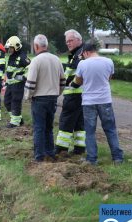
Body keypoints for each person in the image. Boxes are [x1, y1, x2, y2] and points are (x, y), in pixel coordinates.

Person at [70, 40, 124, 165]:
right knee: (110, 129)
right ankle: (117, 158)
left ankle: (91, 159)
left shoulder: (83, 64)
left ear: (86, 52)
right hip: (105, 100)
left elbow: (78, 81)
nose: (82, 56)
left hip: (89, 102)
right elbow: (108, 78)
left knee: (89, 131)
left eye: (83, 54)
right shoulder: (109, 62)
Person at [24, 34, 66, 162]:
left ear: (36, 46)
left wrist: (27, 96)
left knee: (38, 128)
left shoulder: (36, 61)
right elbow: (63, 81)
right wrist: (57, 93)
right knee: (49, 127)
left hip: (39, 99)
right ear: (46, 45)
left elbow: (31, 83)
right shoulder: (56, 59)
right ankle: (50, 152)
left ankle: (39, 156)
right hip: (52, 98)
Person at [55, 29, 86, 158]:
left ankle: (61, 149)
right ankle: (79, 148)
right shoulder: (78, 53)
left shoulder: (79, 55)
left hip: (74, 95)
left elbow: (76, 74)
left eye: (71, 40)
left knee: (66, 121)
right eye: (67, 41)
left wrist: (67, 84)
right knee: (79, 123)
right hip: (80, 96)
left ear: (79, 40)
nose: (68, 43)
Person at [4, 36, 30, 128]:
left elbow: (30, 68)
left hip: (18, 84)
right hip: (11, 84)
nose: (9, 50)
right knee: (7, 101)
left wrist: (23, 77)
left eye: (11, 48)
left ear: (16, 47)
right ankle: (18, 119)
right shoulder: (12, 57)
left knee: (15, 102)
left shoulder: (22, 57)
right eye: (9, 48)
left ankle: (15, 122)